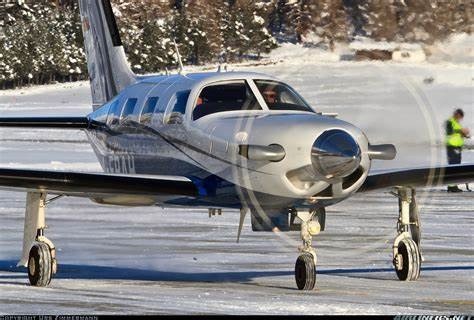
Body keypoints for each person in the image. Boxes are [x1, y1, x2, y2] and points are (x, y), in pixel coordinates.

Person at [445, 108, 470, 192]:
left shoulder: (457, 123)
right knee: (453, 165)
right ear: (457, 114)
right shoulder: (450, 122)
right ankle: (451, 186)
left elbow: (457, 134)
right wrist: (460, 131)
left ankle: (453, 184)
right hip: (452, 147)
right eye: (460, 116)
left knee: (456, 165)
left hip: (457, 147)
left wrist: (464, 134)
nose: (460, 118)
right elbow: (449, 132)